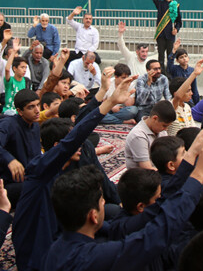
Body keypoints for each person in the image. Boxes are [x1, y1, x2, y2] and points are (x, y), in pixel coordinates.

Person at [11, 74, 136, 271]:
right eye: (72, 143)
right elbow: (78, 134)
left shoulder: (67, 173)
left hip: (63, 239)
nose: (80, 146)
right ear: (57, 147)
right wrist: (109, 101)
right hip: (41, 260)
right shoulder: (40, 173)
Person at [43, 141, 203, 271]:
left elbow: (155, 212)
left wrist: (191, 155)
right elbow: (157, 232)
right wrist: (199, 174)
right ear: (93, 215)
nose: (105, 203)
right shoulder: (97, 256)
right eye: (101, 201)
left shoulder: (55, 249)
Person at [0, 89, 43, 207]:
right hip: (6, 188)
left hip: (27, 179)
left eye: (38, 105)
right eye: (31, 107)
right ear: (19, 111)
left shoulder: (35, 126)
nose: (37, 110)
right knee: (42, 187)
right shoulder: (8, 124)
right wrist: (10, 160)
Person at [124, 100, 176, 169]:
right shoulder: (138, 135)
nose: (165, 129)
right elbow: (147, 169)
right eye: (164, 126)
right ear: (155, 118)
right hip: (143, 176)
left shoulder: (160, 130)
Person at [151, 0, 182, 71]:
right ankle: (161, 74)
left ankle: (170, 74)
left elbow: (179, 21)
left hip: (170, 34)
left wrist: (176, 29)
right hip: (161, 34)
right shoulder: (160, 4)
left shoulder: (175, 5)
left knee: (171, 55)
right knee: (161, 56)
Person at [167, 61, 203, 136]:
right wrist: (194, 74)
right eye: (188, 91)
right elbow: (178, 96)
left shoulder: (187, 107)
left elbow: (193, 128)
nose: (191, 93)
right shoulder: (171, 106)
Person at [3, 39, 32, 115]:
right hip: (9, 111)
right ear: (15, 69)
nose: (24, 70)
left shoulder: (27, 81)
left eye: (25, 67)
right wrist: (14, 52)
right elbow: (7, 69)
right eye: (22, 67)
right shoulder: (10, 81)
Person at [167, 39, 200, 105]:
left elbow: (194, 88)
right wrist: (174, 50)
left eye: (185, 56)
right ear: (177, 60)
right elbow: (169, 64)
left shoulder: (191, 70)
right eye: (181, 57)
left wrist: (197, 104)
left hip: (189, 99)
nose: (184, 58)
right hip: (178, 98)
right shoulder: (175, 69)